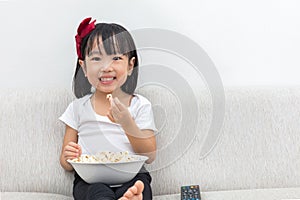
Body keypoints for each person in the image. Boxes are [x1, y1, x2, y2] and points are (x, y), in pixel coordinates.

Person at [59, 17, 157, 200]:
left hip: (133, 177)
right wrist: (69, 155)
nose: (106, 67)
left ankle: (130, 196)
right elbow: (66, 162)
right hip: (90, 181)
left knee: (139, 188)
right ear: (84, 67)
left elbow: (150, 155)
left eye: (116, 58)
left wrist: (128, 124)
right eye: (96, 58)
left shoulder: (140, 105)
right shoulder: (77, 108)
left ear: (130, 65)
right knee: (97, 194)